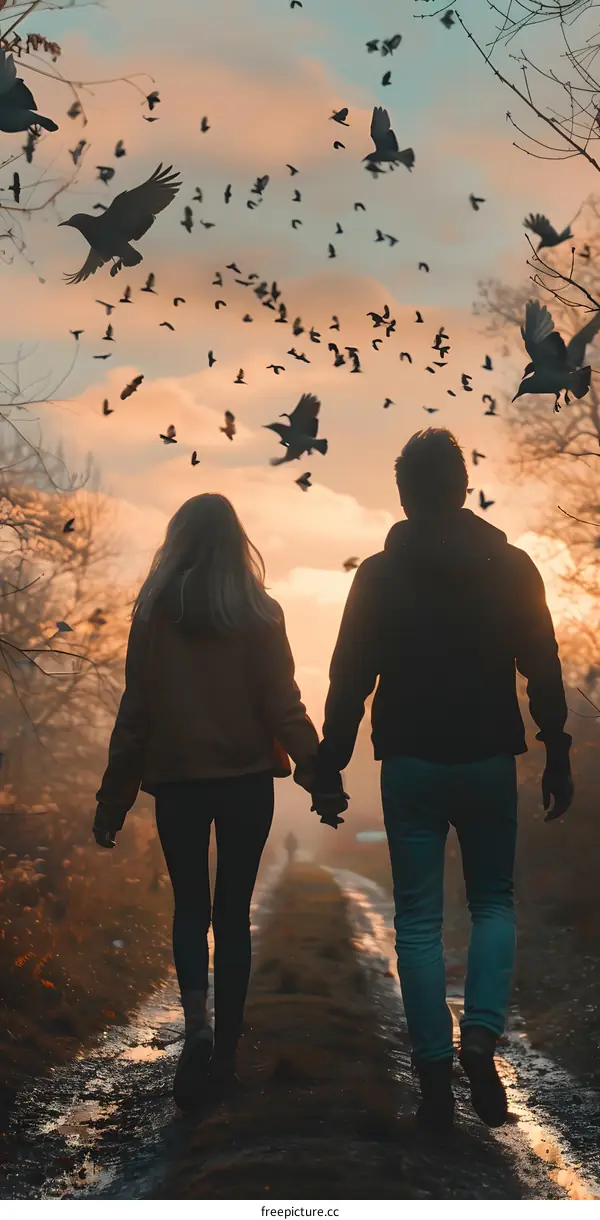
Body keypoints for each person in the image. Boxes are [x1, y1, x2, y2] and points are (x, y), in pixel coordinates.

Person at [312, 429, 574, 1135]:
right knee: (493, 902)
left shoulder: (378, 576)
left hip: (411, 762)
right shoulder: (511, 566)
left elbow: (349, 677)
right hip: (488, 758)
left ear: (404, 496)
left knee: (418, 921)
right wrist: (556, 750)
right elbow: (543, 664)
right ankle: (480, 1039)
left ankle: (434, 1079)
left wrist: (330, 765)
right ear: (462, 488)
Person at [93, 494, 319, 1110]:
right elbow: (284, 703)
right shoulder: (261, 613)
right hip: (246, 781)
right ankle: (223, 1059)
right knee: (233, 913)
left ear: (178, 542)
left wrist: (113, 800)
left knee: (191, 908)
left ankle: (196, 1025)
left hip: (178, 782)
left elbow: (135, 714)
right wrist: (318, 774)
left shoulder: (153, 616)